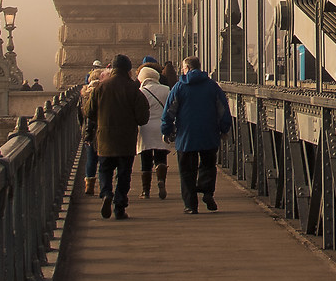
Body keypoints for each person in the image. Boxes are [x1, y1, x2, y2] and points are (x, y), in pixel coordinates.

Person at [160, 54, 231, 214]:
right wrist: (224, 129)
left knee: (186, 171)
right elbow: (223, 110)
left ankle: (190, 205)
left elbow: (169, 111)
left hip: (186, 136)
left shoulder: (179, 87)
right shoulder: (213, 86)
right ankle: (206, 192)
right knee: (208, 165)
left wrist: (167, 130)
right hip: (209, 133)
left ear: (187, 68)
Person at [84, 54, 151, 220]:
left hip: (104, 139)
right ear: (128, 70)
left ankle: (106, 193)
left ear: (112, 69)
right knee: (123, 174)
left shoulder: (100, 87)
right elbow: (143, 118)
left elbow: (88, 112)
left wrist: (101, 119)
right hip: (126, 141)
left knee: (105, 170)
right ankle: (119, 207)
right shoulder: (133, 89)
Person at [135, 61, 172, 199]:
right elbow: (170, 108)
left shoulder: (140, 92)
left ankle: (146, 191)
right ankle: (161, 180)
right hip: (161, 126)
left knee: (145, 158)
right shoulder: (166, 89)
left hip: (145, 127)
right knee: (161, 155)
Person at [77, 62, 106, 196]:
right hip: (102, 129)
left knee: (90, 158)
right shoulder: (103, 92)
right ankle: (104, 188)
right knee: (103, 160)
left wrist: (82, 128)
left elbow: (79, 114)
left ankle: (89, 185)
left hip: (88, 132)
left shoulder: (84, 94)